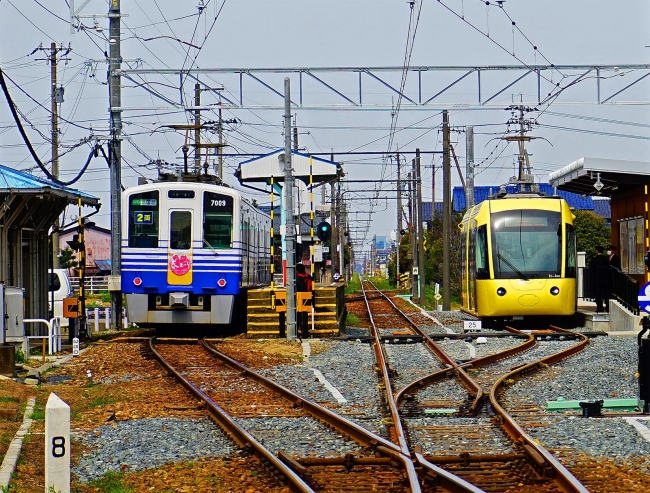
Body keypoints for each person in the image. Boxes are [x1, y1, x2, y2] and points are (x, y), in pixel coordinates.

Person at [589, 246, 609, 313]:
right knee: (606, 293)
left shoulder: (594, 259)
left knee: (598, 294)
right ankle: (607, 307)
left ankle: (599, 307)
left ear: (597, 251)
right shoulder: (606, 259)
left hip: (597, 279)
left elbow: (591, 269)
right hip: (605, 279)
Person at [296, 263, 313, 337]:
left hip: (299, 298)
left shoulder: (296, 277)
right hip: (307, 297)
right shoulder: (309, 276)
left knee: (298, 315)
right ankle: (305, 333)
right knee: (305, 315)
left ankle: (297, 331)